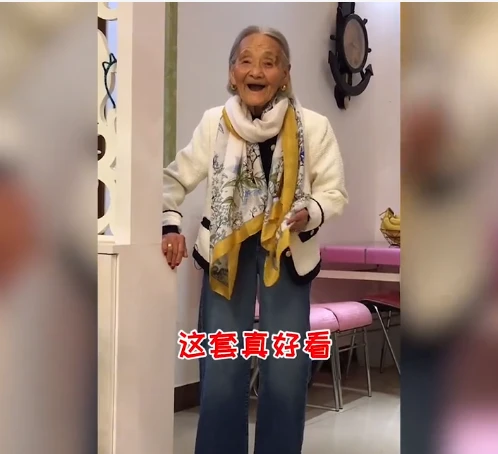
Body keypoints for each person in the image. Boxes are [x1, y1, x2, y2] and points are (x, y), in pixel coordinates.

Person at [162, 25, 348, 454]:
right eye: (246, 60)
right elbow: (173, 180)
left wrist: (309, 212)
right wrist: (170, 224)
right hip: (225, 255)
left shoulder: (314, 126)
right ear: (232, 73)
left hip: (287, 252)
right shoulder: (215, 122)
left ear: (285, 74)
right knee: (222, 367)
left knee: (286, 369)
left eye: (269, 62)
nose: (256, 71)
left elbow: (333, 192)